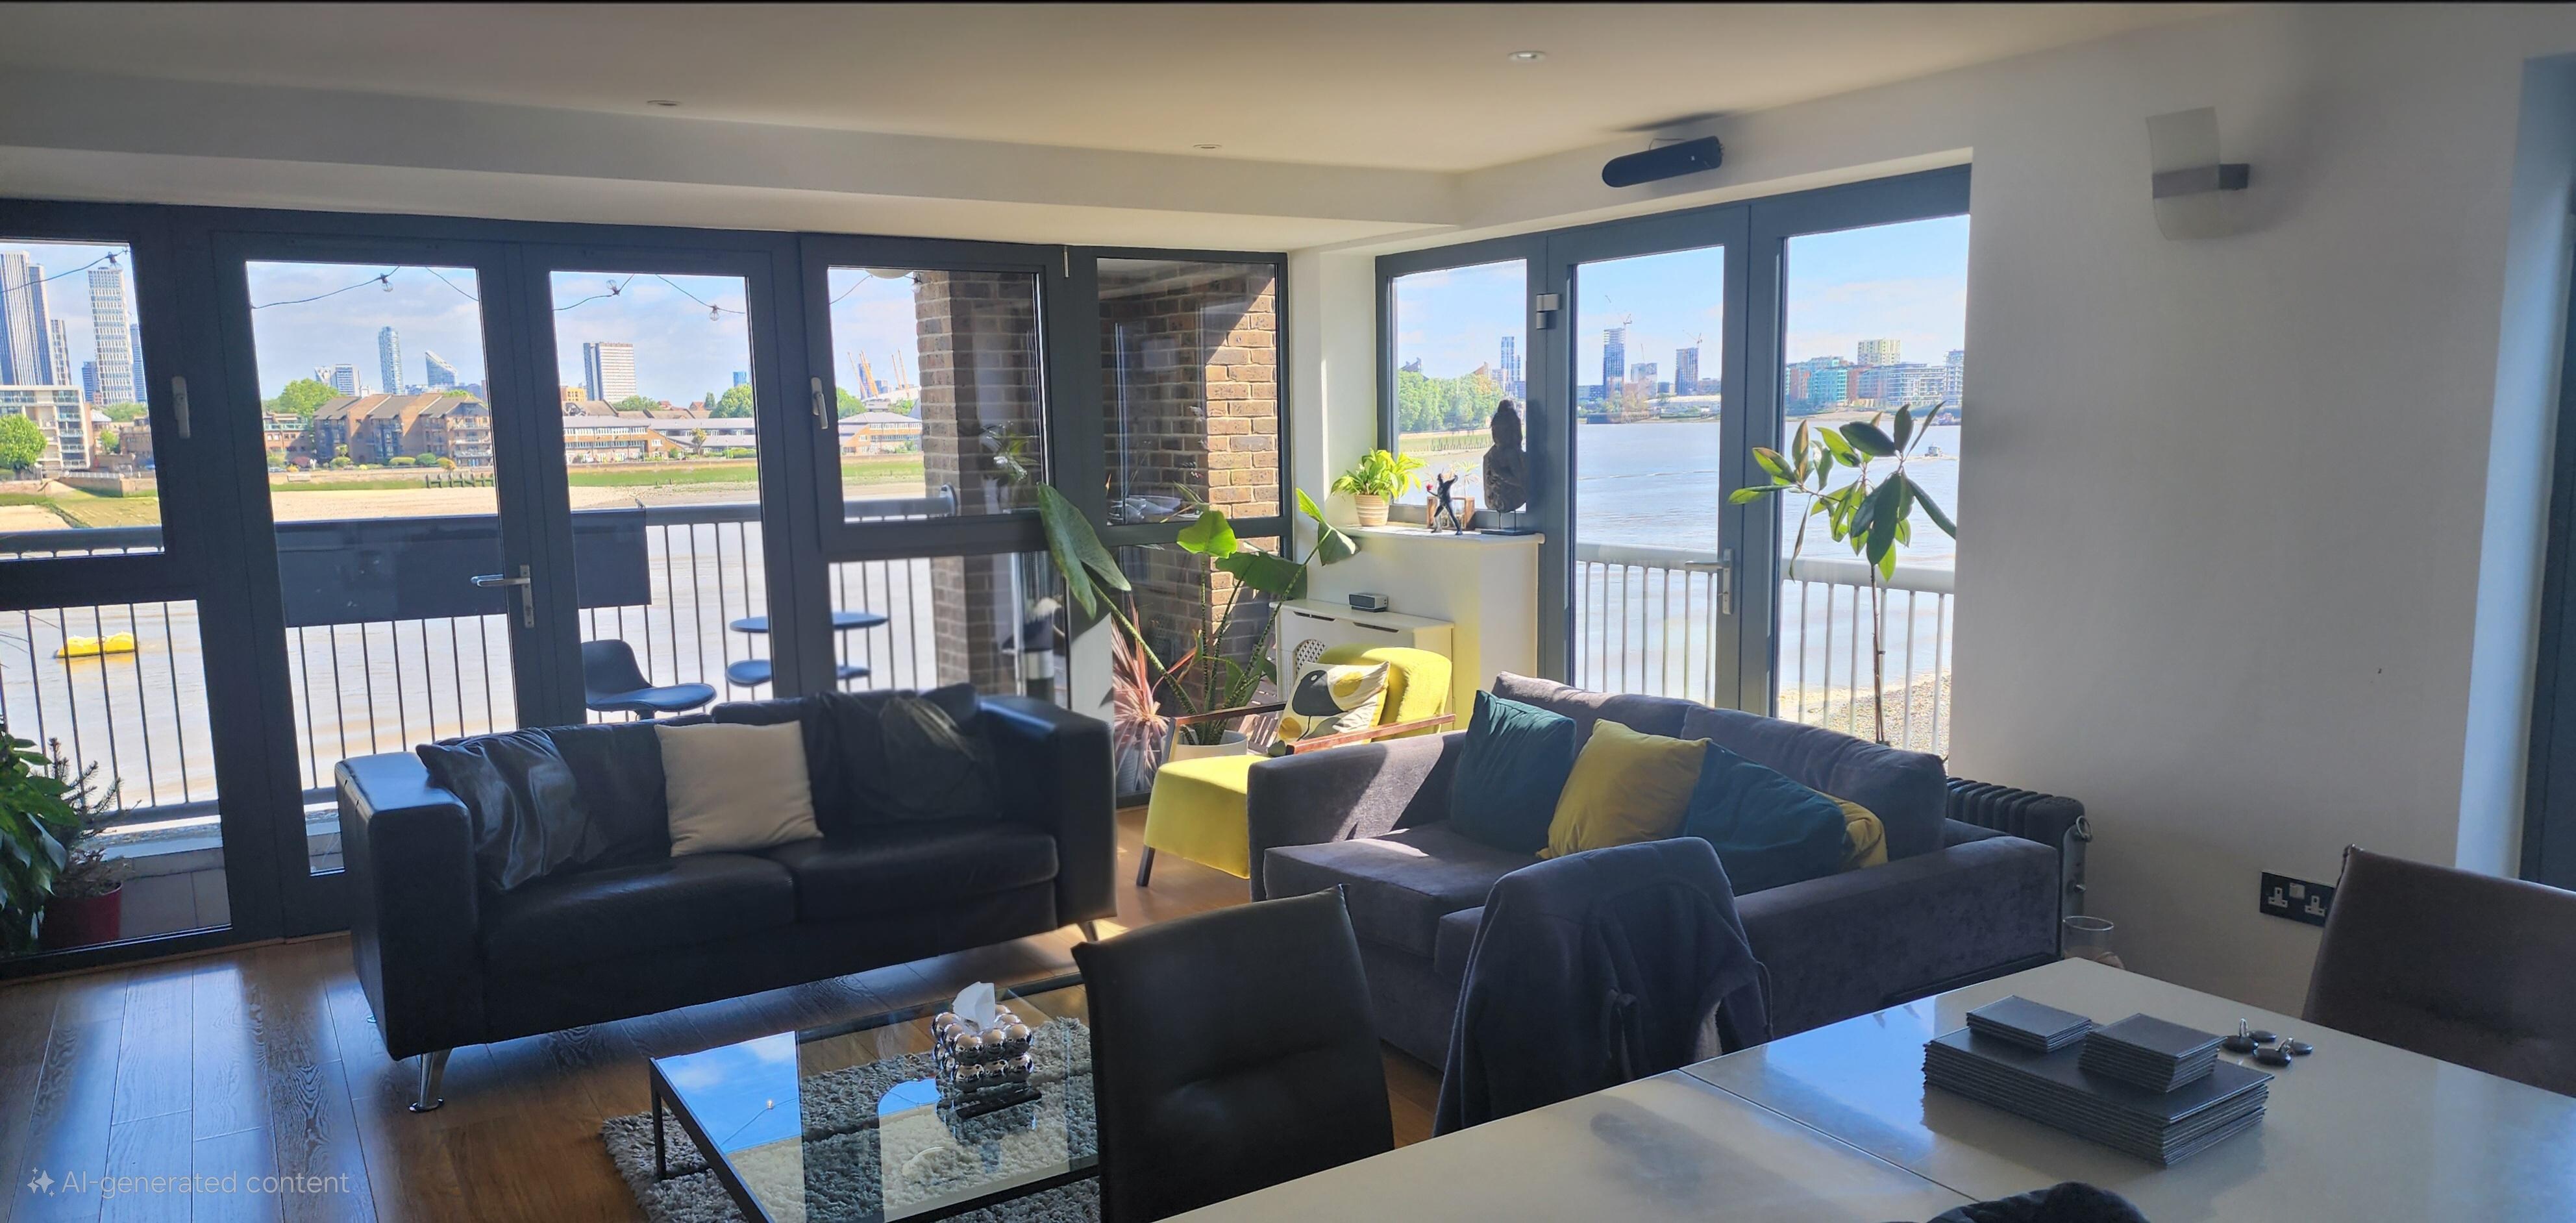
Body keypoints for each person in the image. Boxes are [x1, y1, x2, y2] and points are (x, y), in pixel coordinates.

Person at [1481, 398, 1529, 513]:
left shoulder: (1517, 457)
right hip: (1498, 500)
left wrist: (1500, 473)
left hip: (1510, 498)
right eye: (1497, 431)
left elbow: (1523, 483)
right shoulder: (1490, 456)